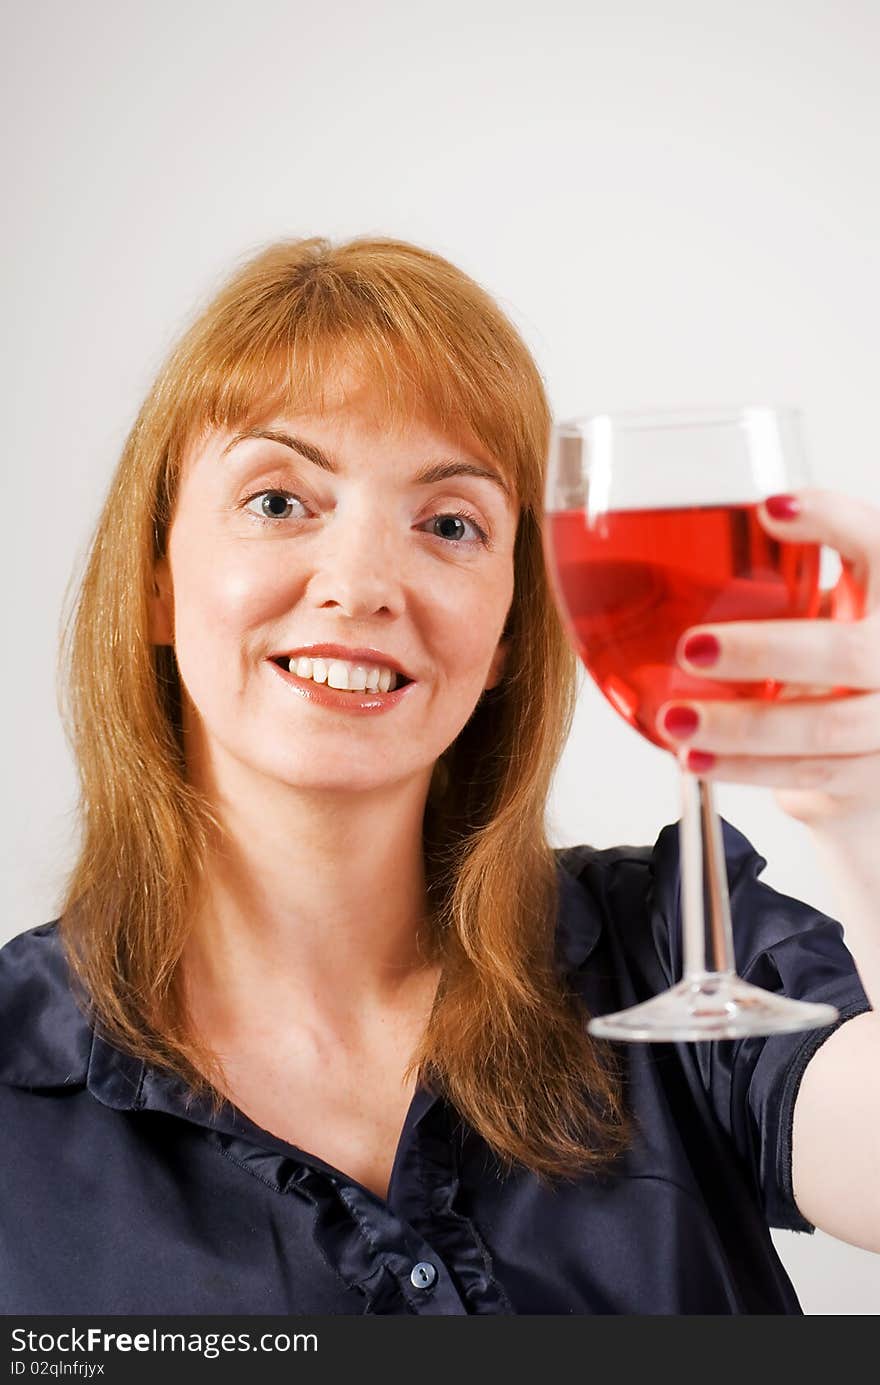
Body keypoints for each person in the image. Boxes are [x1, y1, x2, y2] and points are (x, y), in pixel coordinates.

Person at [0, 236, 876, 1315]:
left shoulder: (677, 943)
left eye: (450, 523)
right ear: (156, 580)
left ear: (509, 627)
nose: (364, 583)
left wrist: (865, 811)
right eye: (280, 500)